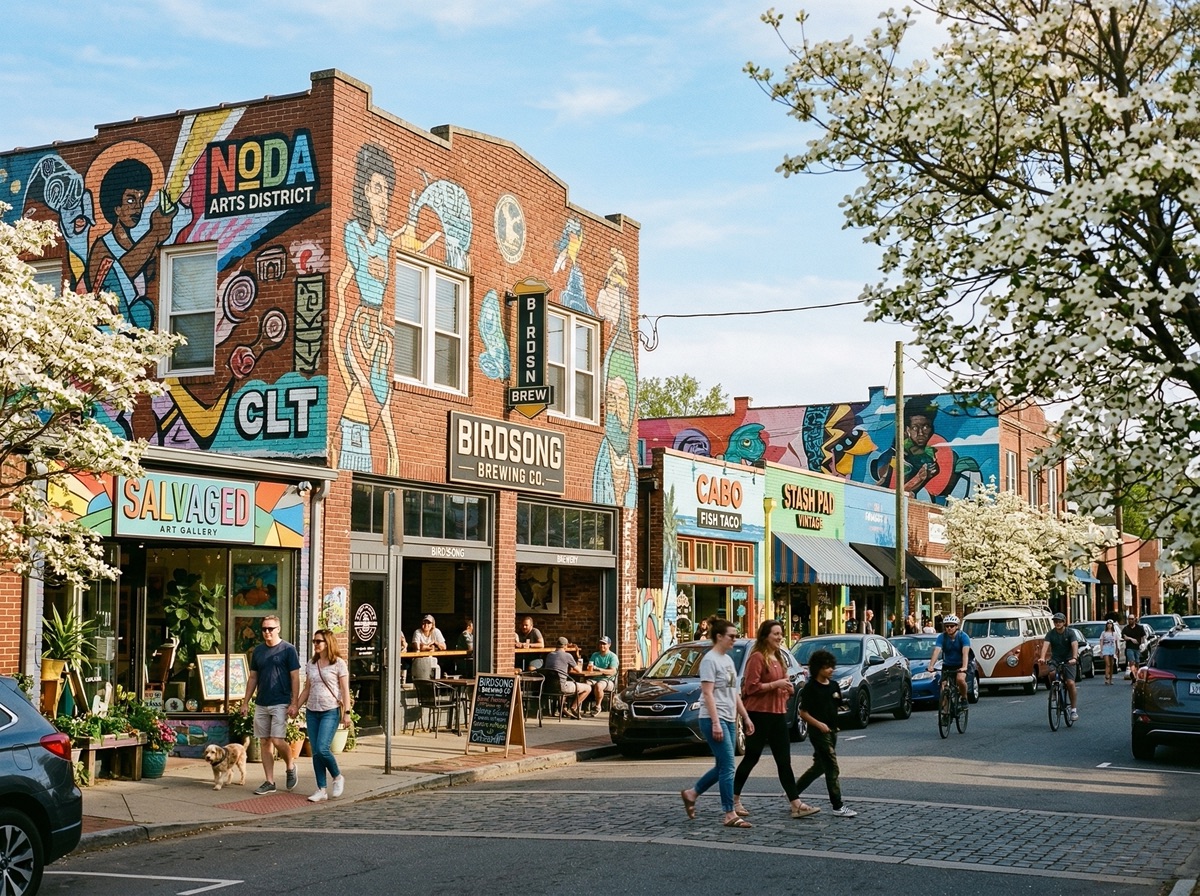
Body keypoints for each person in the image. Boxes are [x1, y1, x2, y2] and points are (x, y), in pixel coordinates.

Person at [732, 620, 818, 819]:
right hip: (759, 714)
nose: (779, 638)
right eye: (775, 634)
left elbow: (784, 684)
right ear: (765, 636)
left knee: (784, 761)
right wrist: (775, 684)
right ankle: (734, 800)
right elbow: (751, 688)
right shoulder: (756, 658)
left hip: (778, 714)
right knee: (751, 757)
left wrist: (788, 689)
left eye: (781, 634)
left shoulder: (779, 657)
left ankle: (795, 803)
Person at [680, 617, 755, 829]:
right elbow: (707, 693)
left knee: (723, 765)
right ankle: (729, 812)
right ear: (719, 637)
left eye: (736, 636)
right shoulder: (710, 660)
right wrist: (715, 723)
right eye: (731, 636)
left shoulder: (728, 661)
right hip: (713, 718)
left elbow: (734, 693)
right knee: (729, 766)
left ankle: (692, 793)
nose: (734, 639)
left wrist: (745, 717)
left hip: (730, 718)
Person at [243, 615, 301, 795]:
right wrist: (245, 702)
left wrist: (294, 703)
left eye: (270, 629)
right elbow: (253, 677)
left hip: (281, 701)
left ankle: (290, 766)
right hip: (262, 702)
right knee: (264, 741)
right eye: (264, 629)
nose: (267, 632)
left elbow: (295, 677)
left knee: (277, 739)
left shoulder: (288, 650)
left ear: (278, 629)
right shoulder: (258, 651)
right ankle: (270, 781)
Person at [795, 648, 857, 817]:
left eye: (832, 667)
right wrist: (819, 724)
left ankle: (792, 793)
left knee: (819, 767)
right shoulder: (811, 688)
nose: (831, 670)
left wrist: (838, 722)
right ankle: (837, 805)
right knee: (831, 767)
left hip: (832, 732)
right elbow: (803, 712)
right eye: (826, 667)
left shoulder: (834, 685)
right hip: (818, 733)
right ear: (818, 668)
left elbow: (837, 706)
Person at [292, 629, 351, 802]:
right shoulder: (312, 663)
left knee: (322, 748)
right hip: (312, 711)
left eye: (319, 641)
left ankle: (338, 776)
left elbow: (345, 690)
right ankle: (321, 789)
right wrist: (296, 706)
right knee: (316, 753)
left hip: (330, 711)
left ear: (328, 643)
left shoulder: (338, 663)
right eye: (314, 642)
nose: (316, 644)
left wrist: (346, 713)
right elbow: (307, 689)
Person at [1041, 613, 1080, 720]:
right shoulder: (1051, 633)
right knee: (1052, 673)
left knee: (1070, 683)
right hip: (1056, 659)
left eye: (1059, 621)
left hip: (1069, 660)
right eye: (1055, 622)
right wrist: (1042, 657)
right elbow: (1045, 645)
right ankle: (1054, 690)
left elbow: (1075, 644)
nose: (1057, 623)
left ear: (1064, 622)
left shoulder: (1070, 633)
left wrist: (1074, 658)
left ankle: (1073, 710)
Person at [542, 637, 591, 718]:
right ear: (565, 646)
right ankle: (573, 707)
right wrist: (578, 656)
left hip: (549, 686)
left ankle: (563, 708)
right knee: (588, 688)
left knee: (564, 682)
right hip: (562, 687)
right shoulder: (567, 655)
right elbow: (579, 670)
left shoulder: (549, 655)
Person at [927, 614, 972, 702]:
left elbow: (965, 653)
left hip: (961, 664)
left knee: (960, 679)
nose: (949, 628)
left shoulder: (963, 637)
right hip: (948, 664)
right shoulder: (942, 637)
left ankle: (964, 697)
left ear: (957, 627)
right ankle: (945, 711)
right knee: (943, 686)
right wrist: (931, 666)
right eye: (947, 626)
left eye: (952, 626)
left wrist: (964, 667)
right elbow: (936, 651)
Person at [585, 636, 619, 717]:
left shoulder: (612, 656)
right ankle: (582, 707)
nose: (602, 646)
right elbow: (590, 667)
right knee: (585, 684)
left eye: (604, 644)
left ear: (609, 645)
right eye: (600, 643)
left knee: (599, 685)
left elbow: (612, 671)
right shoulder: (595, 655)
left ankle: (598, 706)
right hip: (595, 678)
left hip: (608, 680)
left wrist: (600, 670)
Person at [411, 614, 446, 681]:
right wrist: (431, 648)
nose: (426, 625)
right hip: (419, 661)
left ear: (432, 624)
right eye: (424, 622)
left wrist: (435, 642)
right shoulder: (417, 632)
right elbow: (417, 647)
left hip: (433, 661)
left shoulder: (436, 631)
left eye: (428, 623)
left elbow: (444, 647)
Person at [1122, 615, 1146, 681]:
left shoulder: (1140, 628)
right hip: (1129, 648)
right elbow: (1124, 637)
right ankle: (1134, 676)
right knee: (1131, 662)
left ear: (1135, 619)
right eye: (1129, 619)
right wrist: (1131, 639)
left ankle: (1136, 674)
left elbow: (1143, 637)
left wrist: (1143, 644)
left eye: (1132, 619)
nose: (1130, 620)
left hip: (1137, 648)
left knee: (1137, 662)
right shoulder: (1126, 628)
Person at [1099, 620, 1120, 685]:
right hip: (1105, 648)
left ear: (1112, 625)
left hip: (1112, 649)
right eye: (1108, 624)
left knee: (1112, 664)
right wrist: (1101, 651)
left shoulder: (1114, 633)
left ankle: (1110, 679)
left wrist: (1117, 650)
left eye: (1110, 624)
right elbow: (1101, 642)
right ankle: (1106, 677)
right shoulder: (1103, 633)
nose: (1109, 625)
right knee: (1107, 664)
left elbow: (1117, 642)